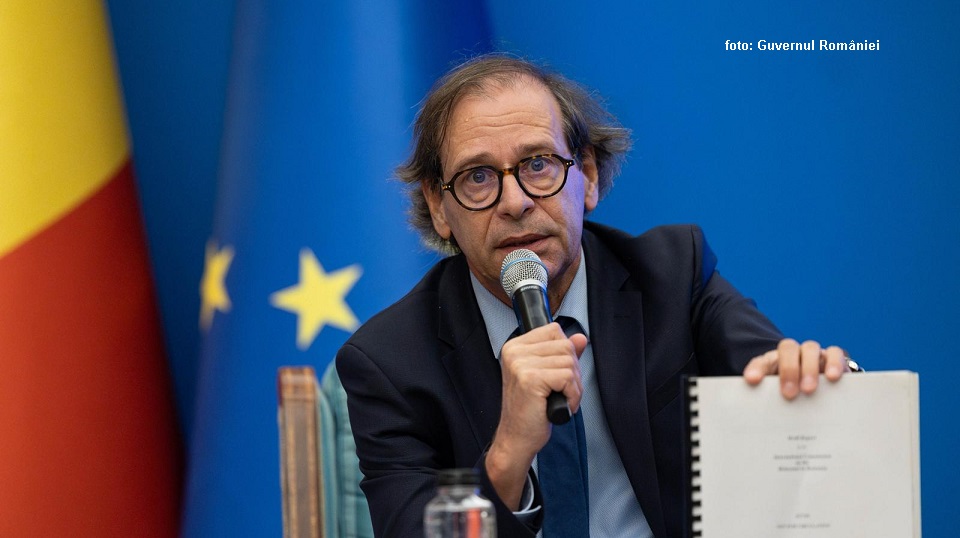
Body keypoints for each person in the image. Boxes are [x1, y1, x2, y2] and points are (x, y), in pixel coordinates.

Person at [336, 53, 853, 537]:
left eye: (538, 164)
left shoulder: (673, 277)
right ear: (439, 206)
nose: (515, 202)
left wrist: (811, 379)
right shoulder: (388, 363)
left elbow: (773, 369)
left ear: (585, 175)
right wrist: (507, 454)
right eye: (478, 177)